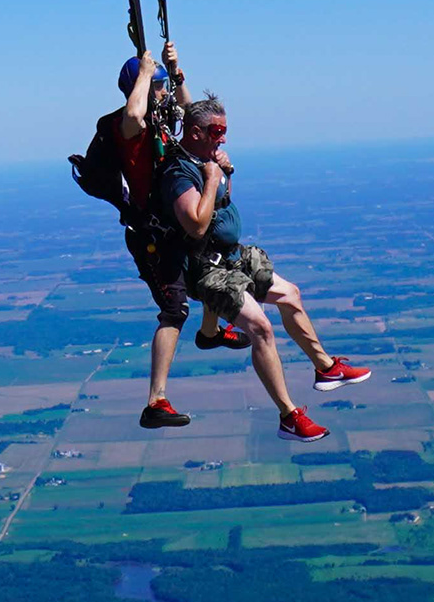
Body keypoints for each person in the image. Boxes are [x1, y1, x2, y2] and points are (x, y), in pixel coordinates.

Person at [126, 68, 371, 437]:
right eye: (216, 131)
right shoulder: (181, 173)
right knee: (260, 327)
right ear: (196, 133)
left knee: (290, 294)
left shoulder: (206, 161)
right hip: (206, 268)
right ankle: (289, 416)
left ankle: (325, 368)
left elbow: (197, 129)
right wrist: (213, 179)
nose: (222, 137)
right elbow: (195, 225)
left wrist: (220, 172)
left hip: (230, 255)